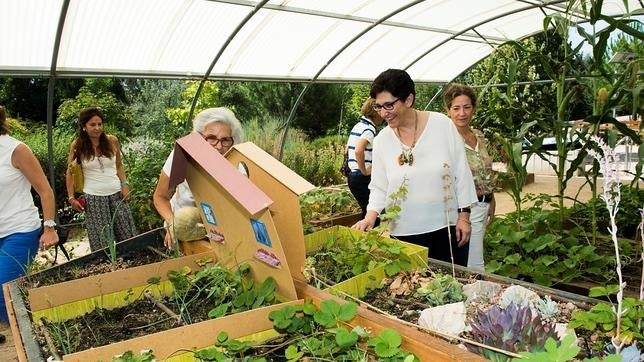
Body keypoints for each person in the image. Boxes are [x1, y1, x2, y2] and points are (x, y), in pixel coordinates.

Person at [353, 69, 477, 266]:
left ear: (408, 100)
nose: (384, 113)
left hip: (447, 229)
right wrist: (370, 217)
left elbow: (461, 173)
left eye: (389, 105)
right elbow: (378, 186)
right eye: (378, 107)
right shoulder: (382, 140)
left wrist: (464, 216)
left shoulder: (442, 125)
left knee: (452, 289)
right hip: (403, 234)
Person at [0, 105, 59, 332]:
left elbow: (45, 190)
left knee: (4, 290)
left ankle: (39, 342)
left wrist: (50, 227)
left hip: (19, 230)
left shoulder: (16, 149)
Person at [153, 107, 244, 249]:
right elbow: (160, 197)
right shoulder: (182, 156)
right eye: (212, 138)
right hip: (185, 224)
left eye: (225, 140)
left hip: (218, 227)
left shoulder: (237, 165)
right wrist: (172, 225)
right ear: (200, 138)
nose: (219, 146)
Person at [65, 107, 137, 252]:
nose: (97, 128)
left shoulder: (112, 141)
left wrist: (125, 184)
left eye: (99, 124)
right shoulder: (77, 145)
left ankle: (134, 266)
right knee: (102, 241)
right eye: (92, 125)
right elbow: (70, 173)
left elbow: (119, 166)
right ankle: (108, 271)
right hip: (94, 198)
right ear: (84, 126)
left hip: (116, 194)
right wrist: (71, 198)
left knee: (128, 236)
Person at [444, 83, 496, 271]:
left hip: (482, 205)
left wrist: (491, 200)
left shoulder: (479, 136)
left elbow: (485, 172)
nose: (462, 113)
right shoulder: (447, 140)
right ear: (448, 110)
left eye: (467, 107)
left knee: (474, 259)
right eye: (456, 108)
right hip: (464, 209)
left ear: (473, 108)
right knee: (474, 264)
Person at [345, 97, 384, 221]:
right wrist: (364, 170)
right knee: (373, 214)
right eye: (381, 110)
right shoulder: (369, 129)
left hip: (353, 175)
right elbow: (358, 150)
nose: (383, 116)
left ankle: (362, 236)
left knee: (366, 210)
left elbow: (347, 150)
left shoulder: (358, 126)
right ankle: (368, 236)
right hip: (361, 176)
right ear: (375, 112)